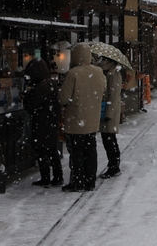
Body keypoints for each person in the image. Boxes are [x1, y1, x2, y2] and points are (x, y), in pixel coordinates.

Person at [58, 43, 106, 192]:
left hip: (75, 119)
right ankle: (89, 181)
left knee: (76, 153)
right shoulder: (98, 72)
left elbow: (63, 98)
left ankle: (77, 182)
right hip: (92, 119)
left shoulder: (73, 73)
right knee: (90, 151)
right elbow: (103, 90)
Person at [22, 58, 63, 187]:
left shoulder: (41, 87)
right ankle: (57, 176)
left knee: (41, 150)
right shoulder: (51, 84)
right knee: (52, 150)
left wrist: (26, 96)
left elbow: (31, 106)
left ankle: (46, 177)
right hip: (51, 121)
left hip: (42, 123)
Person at [97, 58, 122, 179]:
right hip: (105, 109)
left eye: (104, 60)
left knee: (110, 139)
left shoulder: (113, 74)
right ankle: (113, 165)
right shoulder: (107, 73)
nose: (101, 61)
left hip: (108, 112)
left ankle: (114, 166)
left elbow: (114, 96)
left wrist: (108, 114)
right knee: (108, 139)